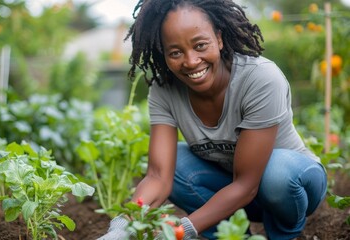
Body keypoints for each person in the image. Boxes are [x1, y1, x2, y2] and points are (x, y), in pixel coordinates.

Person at [98, 0, 327, 239]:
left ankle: (284, 235)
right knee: (176, 165)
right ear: (163, 54)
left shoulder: (260, 79)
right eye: (175, 52)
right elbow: (158, 176)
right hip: (239, 193)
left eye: (200, 45)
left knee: (276, 173)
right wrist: (124, 225)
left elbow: (247, 184)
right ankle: (232, 235)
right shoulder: (164, 89)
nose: (191, 61)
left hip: (293, 186)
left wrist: (179, 231)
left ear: (218, 38)